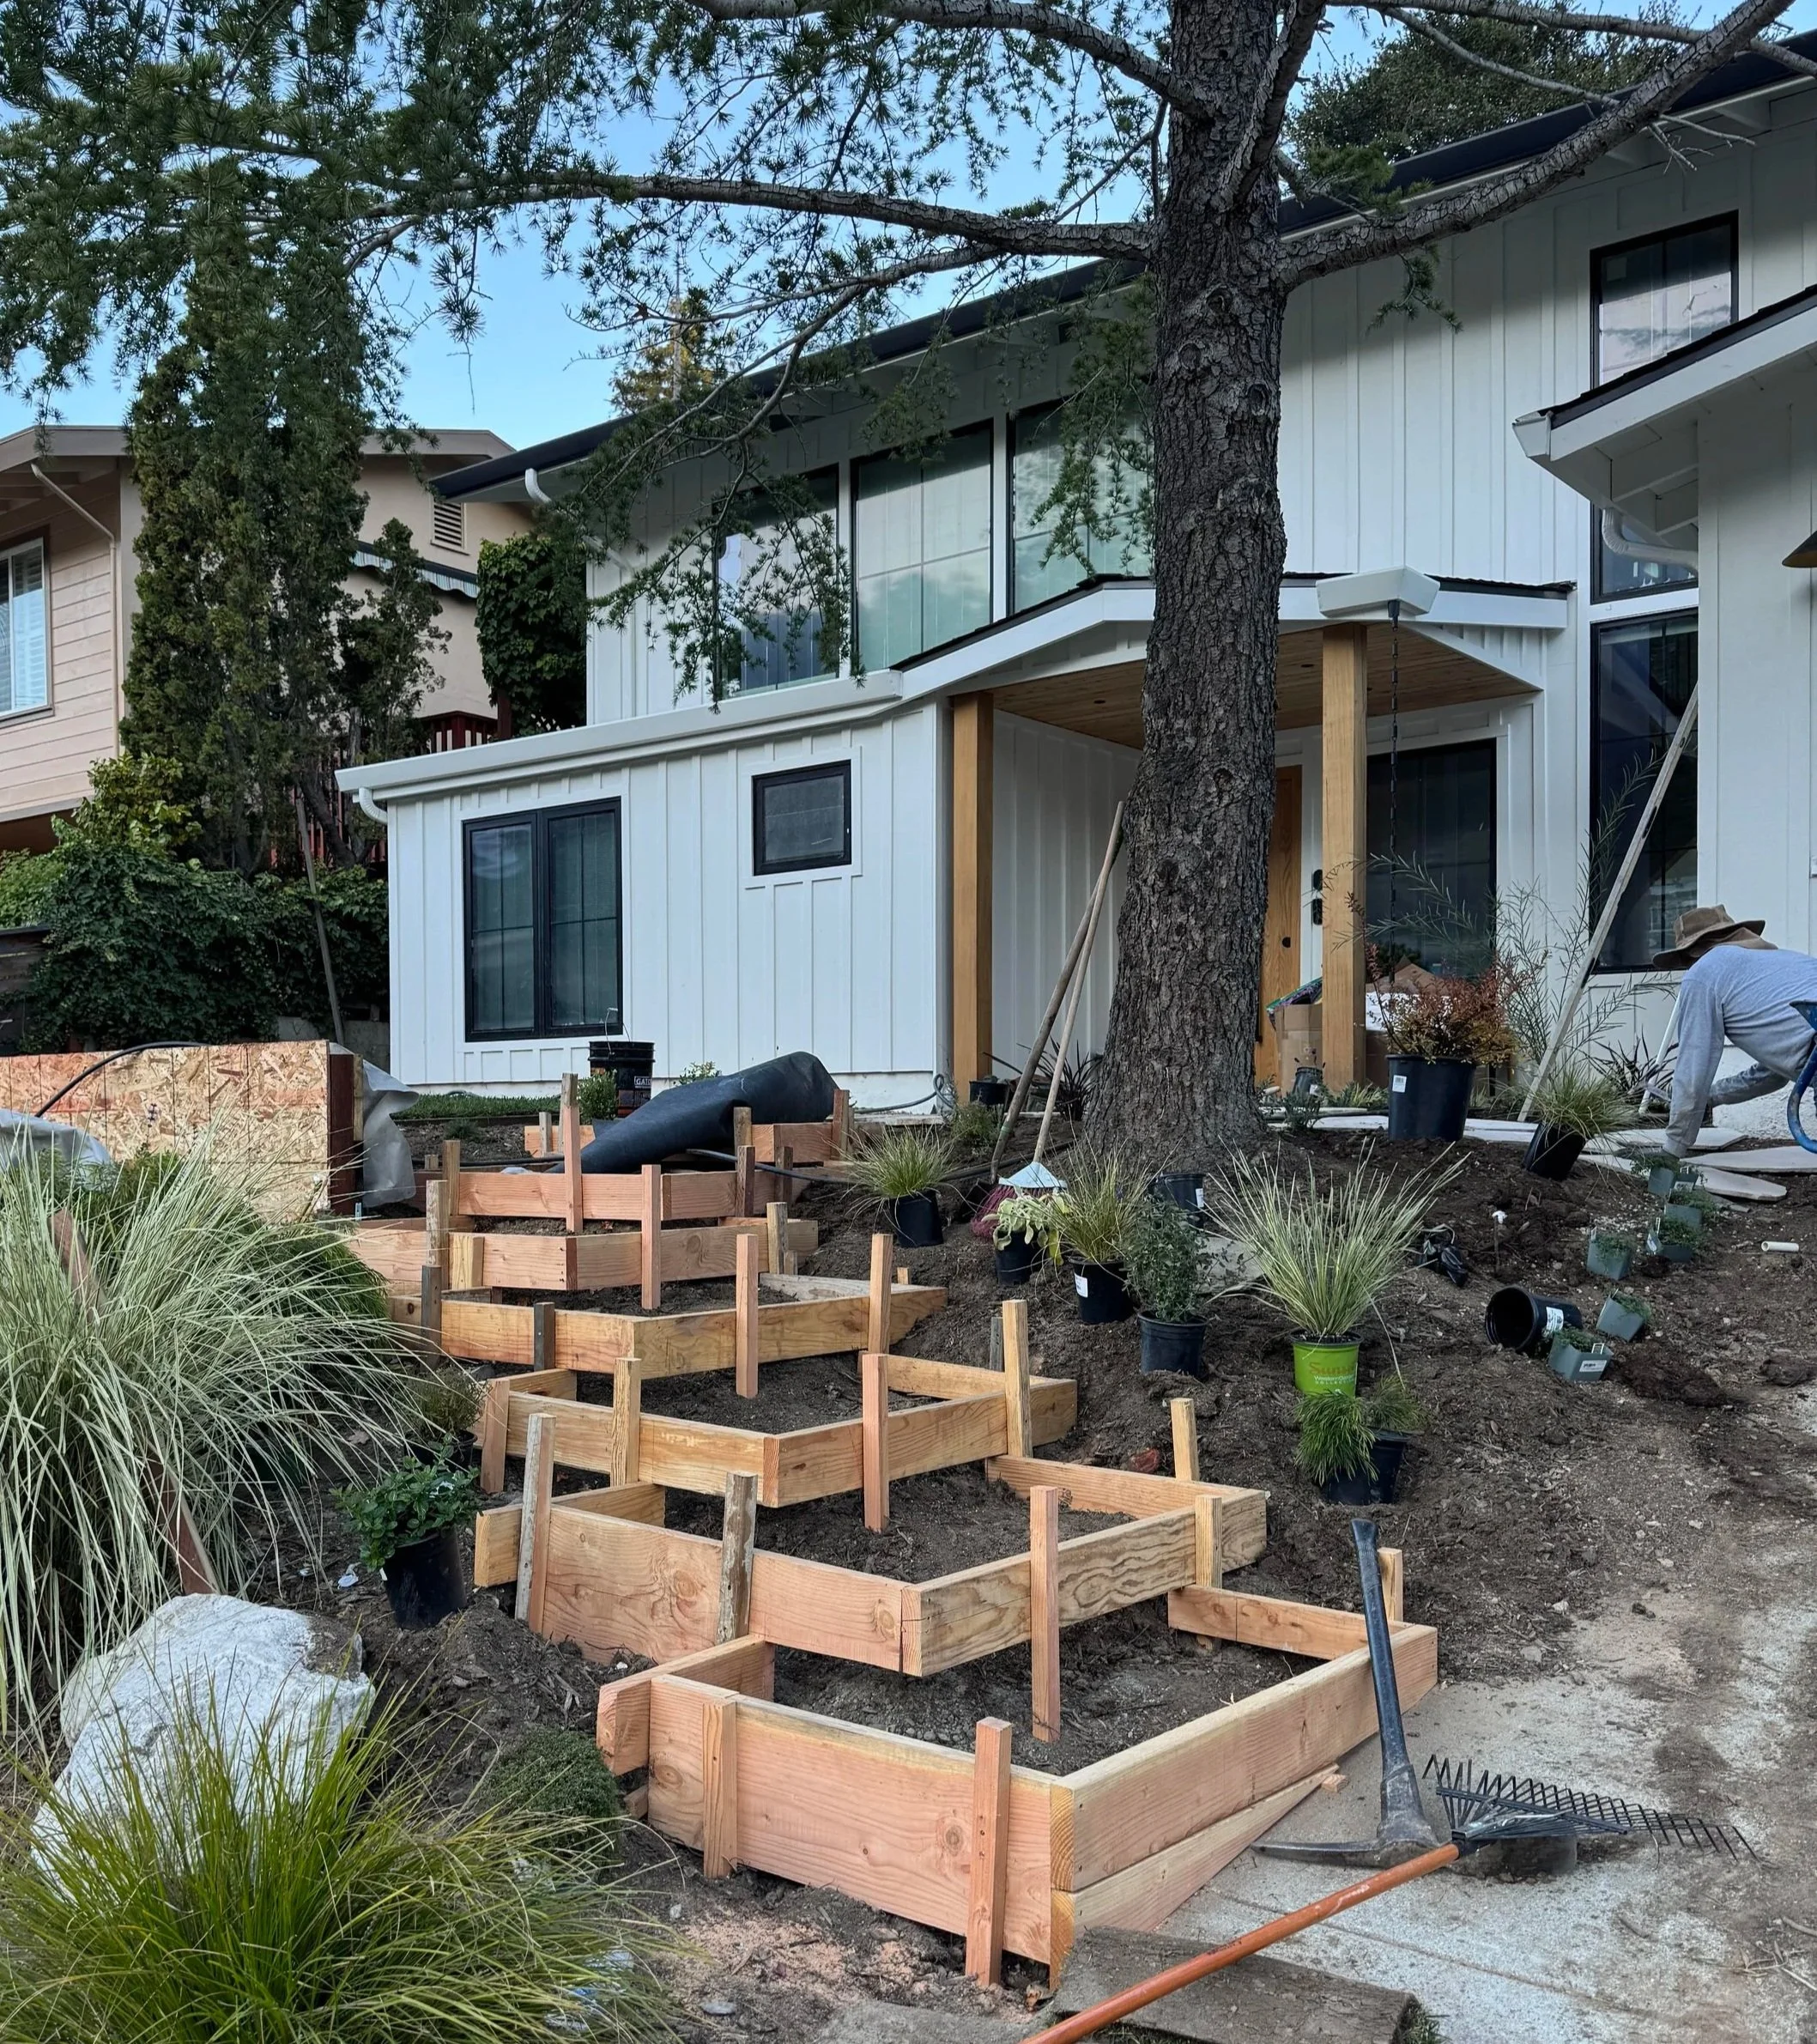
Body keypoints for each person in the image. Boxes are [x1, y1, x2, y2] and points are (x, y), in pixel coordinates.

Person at [1653, 905, 1817, 1157]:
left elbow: (1694, 1066)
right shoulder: (1781, 965)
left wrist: (1673, 1147)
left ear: (1692, 952)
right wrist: (1712, 1097)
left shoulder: (1704, 973)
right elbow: (1772, 1075)